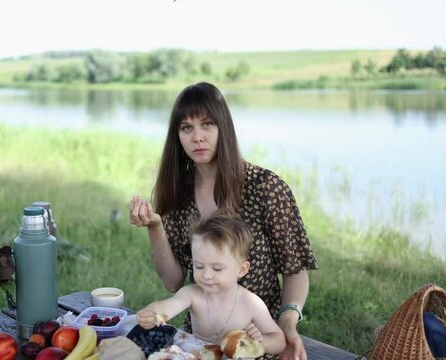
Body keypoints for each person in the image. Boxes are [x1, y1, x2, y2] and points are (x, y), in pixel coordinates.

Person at [129, 82, 318, 360]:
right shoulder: (178, 194)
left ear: (223, 128)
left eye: (207, 124)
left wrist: (287, 322)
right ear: (177, 136)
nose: (197, 137)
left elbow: (295, 270)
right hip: (200, 346)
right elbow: (173, 282)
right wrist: (155, 227)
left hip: (257, 344)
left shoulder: (265, 187)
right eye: (186, 128)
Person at [137, 213, 286, 355]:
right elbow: (168, 306)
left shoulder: (251, 303)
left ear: (241, 269)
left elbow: (279, 340)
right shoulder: (192, 294)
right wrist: (153, 313)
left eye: (217, 268)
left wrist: (259, 341)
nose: (206, 275)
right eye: (199, 266)